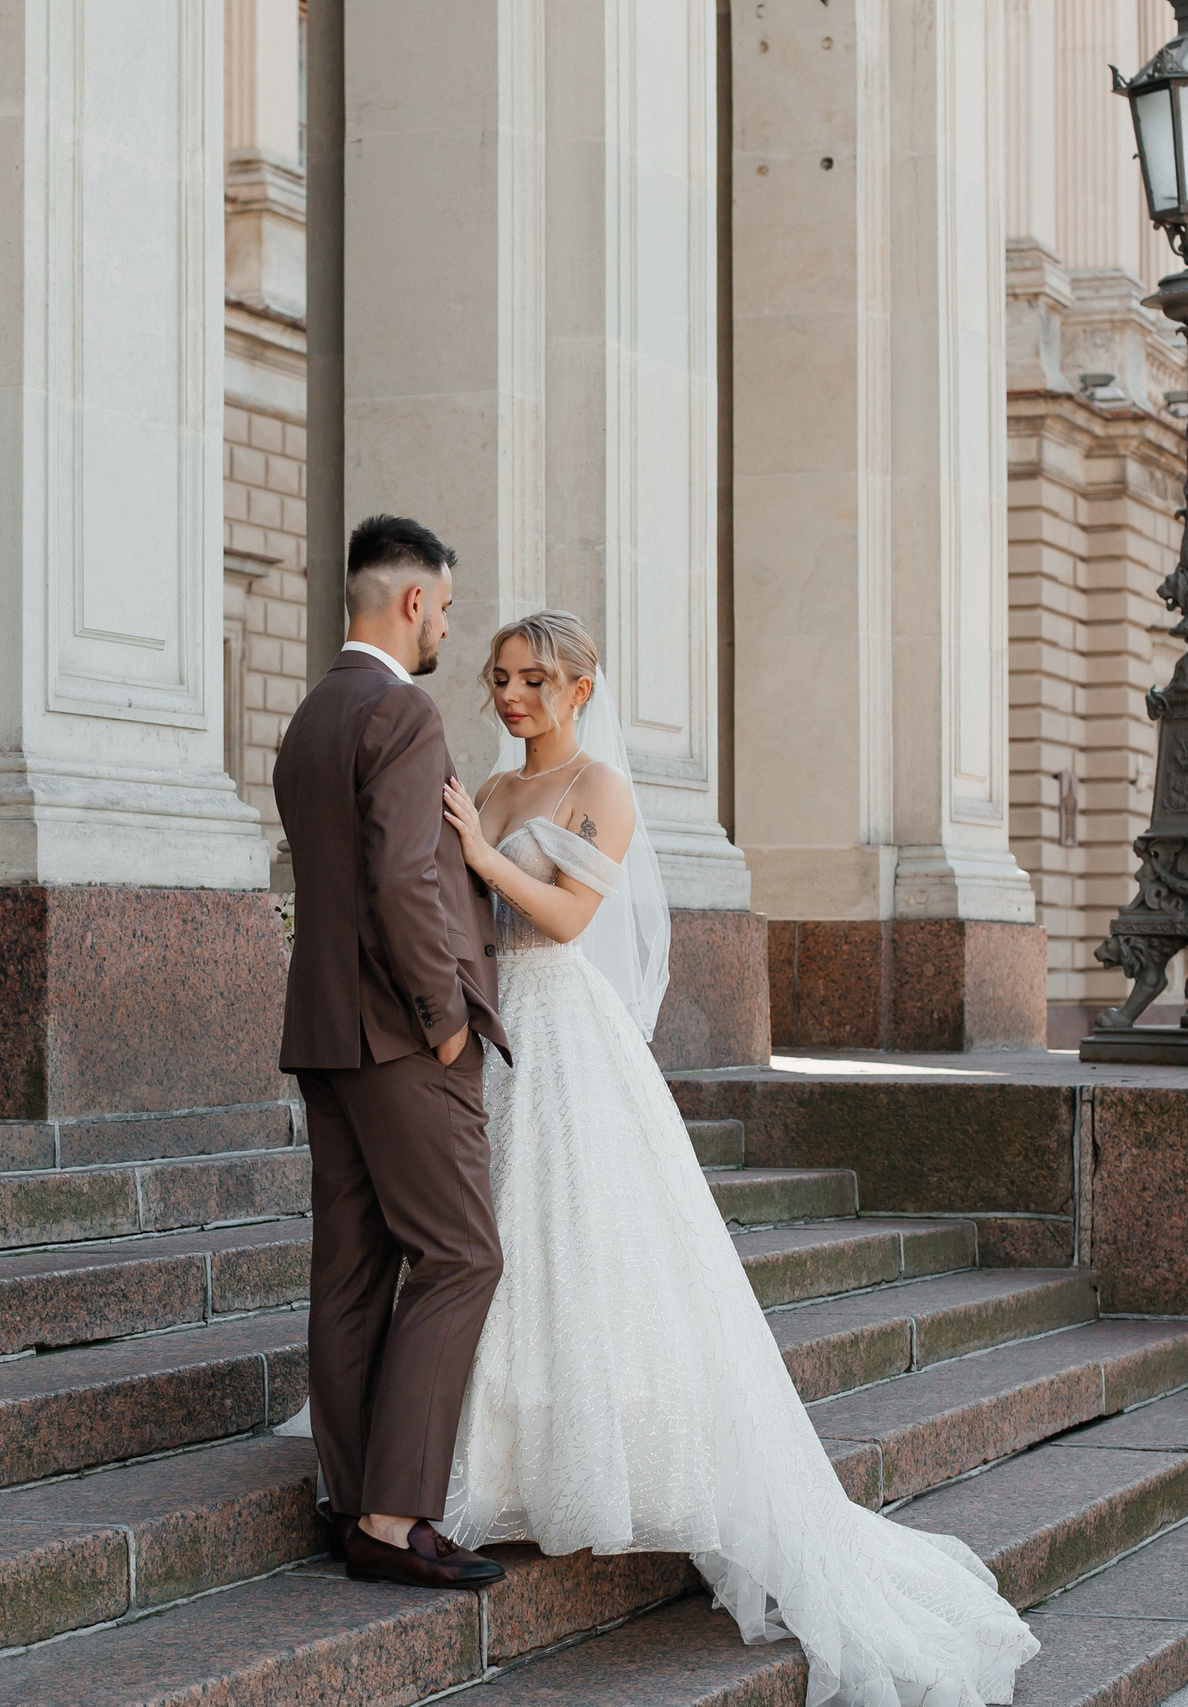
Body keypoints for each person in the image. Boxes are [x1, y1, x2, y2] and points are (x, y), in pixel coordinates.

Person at [435, 612, 1036, 1706]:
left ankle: (602, 1457)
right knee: (498, 1237)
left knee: (578, 1230)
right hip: (496, 1032)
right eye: (500, 679)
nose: (511, 696)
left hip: (567, 1026)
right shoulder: (486, 789)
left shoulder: (599, 790)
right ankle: (496, 1453)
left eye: (533, 679)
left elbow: (568, 918)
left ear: (580, 688)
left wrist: (479, 859)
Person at [272, 515, 511, 1591]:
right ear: (412, 601)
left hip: (324, 1029)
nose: (446, 632)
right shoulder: (401, 711)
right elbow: (406, 877)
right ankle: (395, 1512)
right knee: (462, 1257)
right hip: (402, 1032)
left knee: (353, 1269)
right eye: (447, 611)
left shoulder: (312, 715)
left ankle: (347, 1499)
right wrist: (445, 1012)